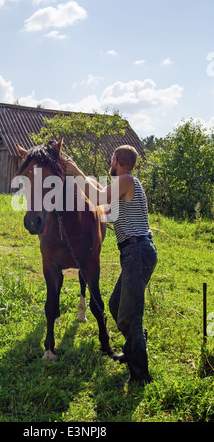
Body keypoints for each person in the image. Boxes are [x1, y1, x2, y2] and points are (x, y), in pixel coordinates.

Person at [65, 144, 157, 386]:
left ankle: (139, 377)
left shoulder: (126, 181)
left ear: (116, 159)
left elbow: (97, 196)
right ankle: (136, 347)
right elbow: (101, 197)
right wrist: (79, 175)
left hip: (137, 251)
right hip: (134, 252)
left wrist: (75, 171)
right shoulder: (125, 186)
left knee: (130, 315)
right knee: (117, 304)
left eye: (111, 159)